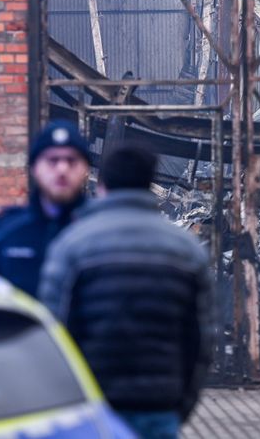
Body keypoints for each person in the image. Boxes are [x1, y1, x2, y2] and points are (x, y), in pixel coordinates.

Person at [39, 144, 214, 439]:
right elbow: (200, 339)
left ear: (103, 185)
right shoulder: (187, 250)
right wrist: (182, 403)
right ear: (149, 185)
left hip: (93, 409)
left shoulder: (72, 246)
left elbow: (54, 334)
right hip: (159, 407)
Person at [0, 120, 91, 297]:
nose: (62, 169)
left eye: (71, 161)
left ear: (85, 169)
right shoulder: (6, 233)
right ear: (34, 168)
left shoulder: (101, 232)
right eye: (52, 160)